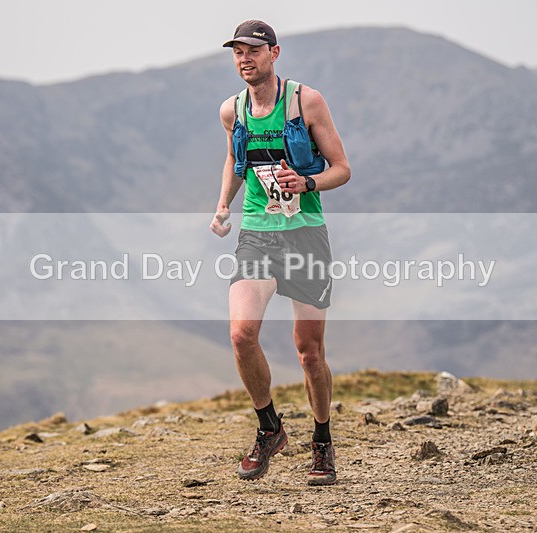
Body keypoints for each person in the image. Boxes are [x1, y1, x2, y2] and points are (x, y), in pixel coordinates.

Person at [210, 20, 351, 485]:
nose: (243, 59)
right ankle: (270, 429)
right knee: (240, 334)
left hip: (305, 233)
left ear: (274, 53)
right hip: (257, 233)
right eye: (237, 52)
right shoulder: (232, 110)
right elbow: (235, 158)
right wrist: (223, 204)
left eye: (252, 50)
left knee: (309, 352)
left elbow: (342, 169)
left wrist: (307, 182)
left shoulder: (305, 101)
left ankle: (323, 442)